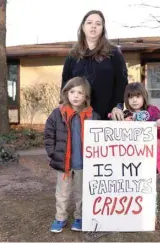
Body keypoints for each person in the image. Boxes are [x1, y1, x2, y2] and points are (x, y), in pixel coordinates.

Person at [44, 77, 100, 233]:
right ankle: (60, 218)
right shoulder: (57, 114)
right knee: (62, 193)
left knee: (81, 193)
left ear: (86, 97)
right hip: (64, 163)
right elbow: (49, 134)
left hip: (83, 163)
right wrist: (52, 152)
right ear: (66, 93)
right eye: (72, 92)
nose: (76, 96)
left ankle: (80, 217)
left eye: (80, 93)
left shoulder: (92, 115)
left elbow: (99, 138)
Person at [61, 10, 128, 121]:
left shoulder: (114, 53)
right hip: (78, 116)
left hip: (106, 115)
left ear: (102, 28)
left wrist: (118, 106)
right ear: (83, 27)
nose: (93, 26)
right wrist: (64, 105)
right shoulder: (73, 55)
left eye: (98, 24)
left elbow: (121, 82)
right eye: (89, 23)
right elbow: (65, 83)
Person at [123, 82, 160, 175]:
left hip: (149, 157)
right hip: (131, 158)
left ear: (144, 97)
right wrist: (123, 124)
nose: (134, 100)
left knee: (148, 184)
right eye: (131, 97)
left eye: (138, 96)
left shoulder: (153, 112)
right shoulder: (125, 115)